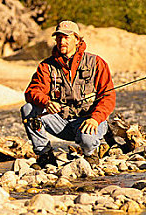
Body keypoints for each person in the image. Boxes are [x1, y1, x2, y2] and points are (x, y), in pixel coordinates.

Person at [21, 20, 116, 168]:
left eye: (66, 37)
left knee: (87, 139)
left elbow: (108, 97)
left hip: (88, 121)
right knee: (28, 109)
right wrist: (46, 102)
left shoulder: (96, 63)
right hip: (62, 123)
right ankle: (44, 155)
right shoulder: (46, 66)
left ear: (77, 40)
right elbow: (32, 92)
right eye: (58, 38)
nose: (62, 41)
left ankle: (91, 154)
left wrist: (95, 119)